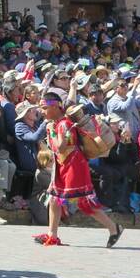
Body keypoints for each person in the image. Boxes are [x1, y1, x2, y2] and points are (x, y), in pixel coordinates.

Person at [34, 92, 124, 247]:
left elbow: (61, 147)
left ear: (55, 107)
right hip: (62, 166)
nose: (41, 111)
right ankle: (52, 235)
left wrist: (53, 133)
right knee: (55, 199)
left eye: (44, 108)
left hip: (74, 167)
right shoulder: (55, 124)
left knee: (84, 202)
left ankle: (114, 228)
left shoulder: (64, 124)